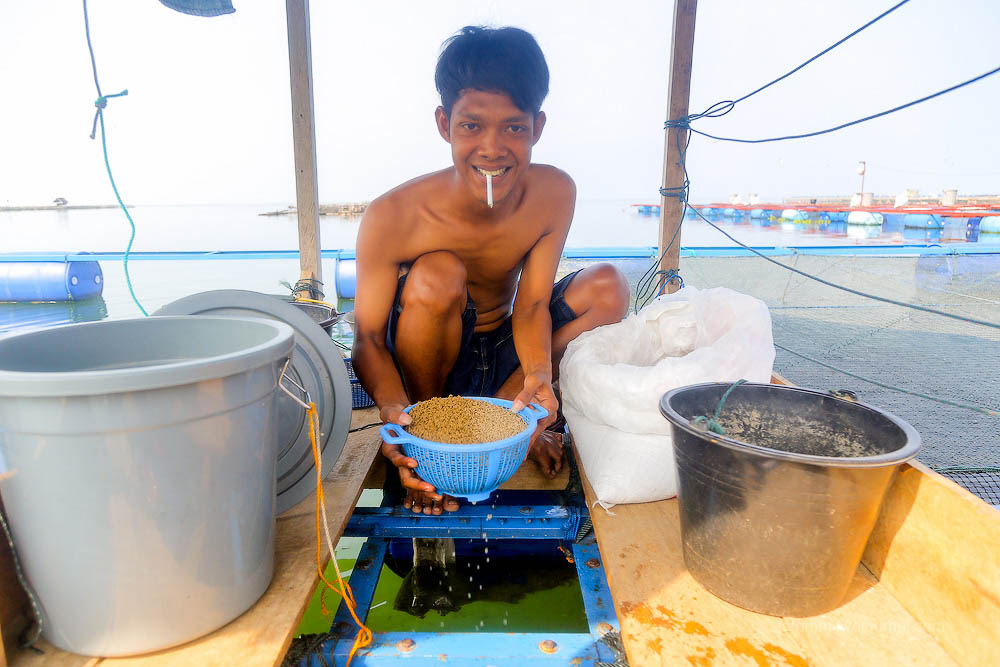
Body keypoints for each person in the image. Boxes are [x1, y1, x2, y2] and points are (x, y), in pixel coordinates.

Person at [351, 25, 630, 515]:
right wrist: (394, 412)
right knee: (438, 272)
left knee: (609, 287)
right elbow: (369, 338)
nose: (492, 148)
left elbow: (535, 304)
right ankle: (427, 446)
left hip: (506, 353)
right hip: (429, 365)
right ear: (444, 124)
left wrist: (540, 375)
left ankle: (515, 421)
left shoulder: (553, 193)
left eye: (515, 128)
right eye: (471, 126)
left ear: (537, 127)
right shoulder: (392, 214)